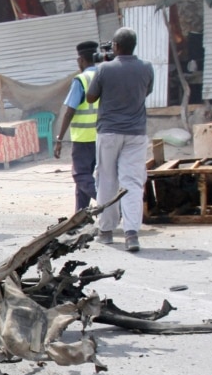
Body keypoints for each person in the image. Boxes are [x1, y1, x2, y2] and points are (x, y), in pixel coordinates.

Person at [86, 27, 154, 252]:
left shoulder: (105, 68)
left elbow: (91, 97)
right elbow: (145, 92)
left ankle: (106, 231)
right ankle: (131, 234)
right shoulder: (146, 68)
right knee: (132, 182)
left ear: (115, 46)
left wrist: (100, 72)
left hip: (109, 133)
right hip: (136, 133)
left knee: (106, 179)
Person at [53, 41, 100, 212]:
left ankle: (106, 201)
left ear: (80, 60)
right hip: (101, 136)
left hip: (83, 138)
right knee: (85, 180)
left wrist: (59, 139)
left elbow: (69, 112)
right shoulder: (104, 75)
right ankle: (79, 216)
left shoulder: (81, 80)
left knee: (80, 175)